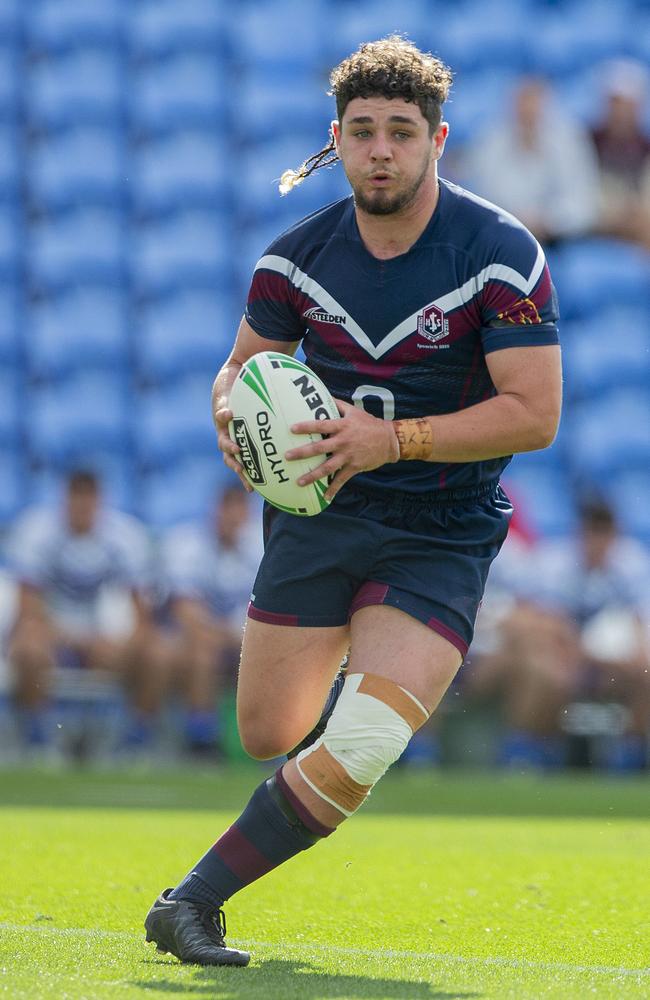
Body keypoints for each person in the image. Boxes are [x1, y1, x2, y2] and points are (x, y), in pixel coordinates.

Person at [145, 36, 562, 967]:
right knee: (270, 733)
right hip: (319, 515)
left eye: (401, 133)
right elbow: (241, 367)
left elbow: (535, 416)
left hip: (442, 529)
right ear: (336, 139)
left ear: (437, 141)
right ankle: (362, 675)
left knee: (364, 739)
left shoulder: (501, 254)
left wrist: (393, 441)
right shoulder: (294, 260)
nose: (382, 149)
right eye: (363, 131)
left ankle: (191, 902)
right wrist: (229, 410)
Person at [470, 497, 650, 770]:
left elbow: (639, 623)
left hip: (608, 660)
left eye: (604, 535)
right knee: (543, 668)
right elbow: (528, 617)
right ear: (581, 533)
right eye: (592, 534)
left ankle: (632, 754)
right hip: (559, 652)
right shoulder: (554, 561)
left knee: (644, 671)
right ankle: (526, 750)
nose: (597, 544)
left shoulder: (632, 563)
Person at [6, 469, 165, 754]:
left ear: (99, 502)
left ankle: (136, 738)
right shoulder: (37, 531)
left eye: (88, 500)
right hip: (51, 635)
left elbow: (143, 615)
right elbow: (27, 607)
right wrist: (74, 639)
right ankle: (37, 735)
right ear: (65, 500)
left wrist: (124, 644)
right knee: (28, 647)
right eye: (76, 500)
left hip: (101, 636)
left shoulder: (124, 536)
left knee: (154, 652)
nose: (82, 509)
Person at [159, 483, 263, 756]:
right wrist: (230, 635)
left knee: (271, 650)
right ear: (214, 510)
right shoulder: (187, 543)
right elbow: (185, 610)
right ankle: (202, 736)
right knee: (202, 650)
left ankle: (268, 736)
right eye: (226, 508)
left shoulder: (262, 546)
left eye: (238, 509)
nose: (231, 517)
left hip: (244, 637)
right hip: (194, 638)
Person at [457, 74, 600, 247]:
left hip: (559, 238)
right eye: (522, 103)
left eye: (535, 103)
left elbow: (581, 200)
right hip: (501, 234)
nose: (528, 111)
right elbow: (482, 193)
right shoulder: (491, 140)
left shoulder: (569, 140)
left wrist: (549, 221)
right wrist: (515, 219)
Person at [589, 59, 650, 250]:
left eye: (627, 104)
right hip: (597, 220)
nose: (621, 111)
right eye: (616, 103)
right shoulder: (589, 142)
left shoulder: (645, 146)